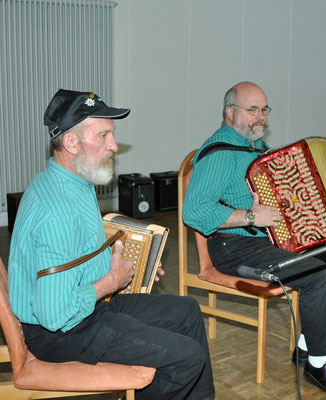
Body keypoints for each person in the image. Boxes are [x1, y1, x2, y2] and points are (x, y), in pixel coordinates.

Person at [8, 89, 215, 400]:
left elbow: (79, 253)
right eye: (103, 135)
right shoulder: (57, 213)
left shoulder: (74, 182)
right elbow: (55, 315)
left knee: (187, 310)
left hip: (84, 309)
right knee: (186, 357)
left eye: (112, 134)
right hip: (62, 333)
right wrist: (111, 281)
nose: (114, 146)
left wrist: (134, 263)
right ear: (71, 143)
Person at [183, 81, 326, 396]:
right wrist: (251, 217)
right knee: (314, 273)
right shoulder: (218, 155)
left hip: (266, 241)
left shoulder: (256, 148)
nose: (261, 117)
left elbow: (285, 198)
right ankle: (319, 365)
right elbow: (194, 212)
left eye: (264, 110)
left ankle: (308, 345)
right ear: (229, 112)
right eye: (252, 110)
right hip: (232, 246)